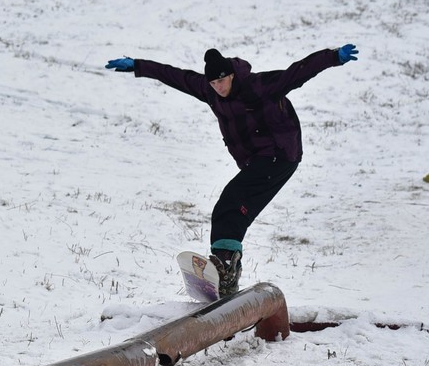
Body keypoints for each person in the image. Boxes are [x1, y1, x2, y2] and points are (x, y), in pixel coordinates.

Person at [106, 44, 359, 297]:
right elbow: (175, 76)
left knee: (232, 198)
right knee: (230, 210)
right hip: (258, 161)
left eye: (222, 81)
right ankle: (225, 265)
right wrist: (138, 65)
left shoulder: (259, 86)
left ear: (231, 76)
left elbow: (298, 72)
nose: (219, 88)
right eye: (213, 83)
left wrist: (333, 56)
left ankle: (226, 266)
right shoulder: (211, 91)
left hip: (280, 154)